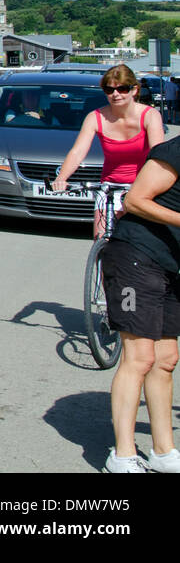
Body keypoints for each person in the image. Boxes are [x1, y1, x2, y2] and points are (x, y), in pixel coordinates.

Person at [98, 134, 180, 472]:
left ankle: (163, 452)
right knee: (140, 356)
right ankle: (122, 455)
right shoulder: (175, 152)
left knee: (166, 359)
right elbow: (134, 200)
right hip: (135, 257)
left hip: (170, 266)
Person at [51, 65, 165, 238]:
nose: (116, 94)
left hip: (142, 188)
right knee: (101, 236)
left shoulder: (149, 115)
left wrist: (150, 186)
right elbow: (78, 152)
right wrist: (61, 178)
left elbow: (158, 155)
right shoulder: (95, 117)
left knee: (139, 242)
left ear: (134, 90)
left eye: (122, 89)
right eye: (109, 90)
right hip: (110, 187)